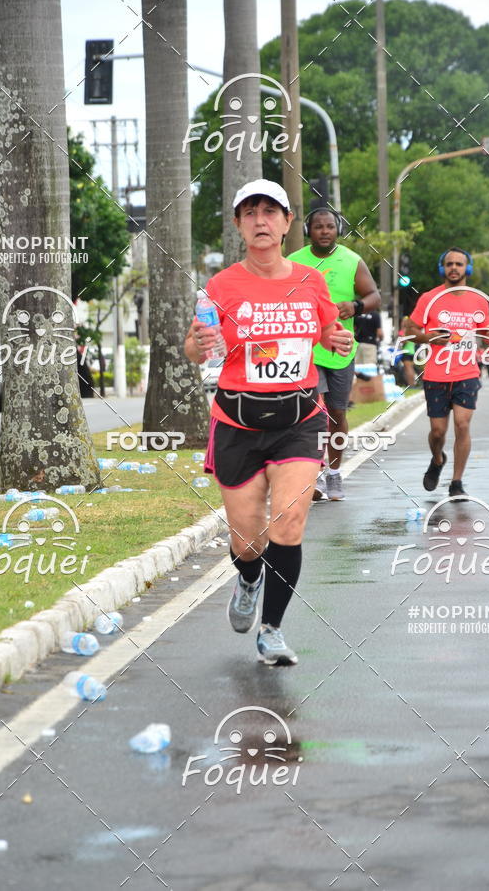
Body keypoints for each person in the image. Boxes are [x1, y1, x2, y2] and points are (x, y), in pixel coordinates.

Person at [184, 180, 353, 666]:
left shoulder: (310, 280)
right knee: (247, 538)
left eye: (270, 212)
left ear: (285, 223)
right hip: (237, 421)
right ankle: (249, 577)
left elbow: (326, 328)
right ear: (239, 225)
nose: (260, 220)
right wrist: (200, 343)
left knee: (290, 521)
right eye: (250, 212)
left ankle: (272, 630)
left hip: (298, 419)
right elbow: (195, 348)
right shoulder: (220, 286)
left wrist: (338, 340)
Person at [287, 207, 381, 501]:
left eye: (330, 226)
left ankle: (335, 474)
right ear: (308, 231)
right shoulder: (293, 262)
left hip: (341, 349)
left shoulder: (352, 260)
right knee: (312, 413)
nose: (325, 231)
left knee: (337, 413)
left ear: (337, 230)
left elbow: (374, 296)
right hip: (306, 351)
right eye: (318, 227)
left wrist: (356, 306)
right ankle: (312, 475)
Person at [405, 247, 489, 497]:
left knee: (462, 424)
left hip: (467, 372)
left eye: (459, 264)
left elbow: (488, 335)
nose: (454, 268)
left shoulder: (478, 300)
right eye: (449, 264)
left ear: (467, 268)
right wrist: (428, 337)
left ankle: (456, 483)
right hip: (436, 374)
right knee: (437, 432)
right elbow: (410, 330)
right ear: (442, 268)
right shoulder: (429, 299)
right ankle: (437, 459)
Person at [397, 316, 416, 387]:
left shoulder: (405, 330)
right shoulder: (412, 330)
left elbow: (404, 341)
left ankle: (411, 385)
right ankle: (412, 383)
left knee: (408, 369)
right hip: (412, 351)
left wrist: (400, 340)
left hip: (406, 351)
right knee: (410, 368)